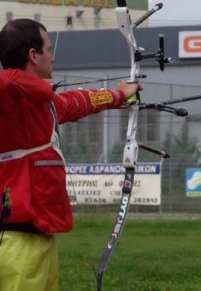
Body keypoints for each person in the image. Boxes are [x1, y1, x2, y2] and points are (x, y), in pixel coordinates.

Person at [0, 18, 140, 291]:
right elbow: (6, 81)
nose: (53, 57)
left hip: (42, 241)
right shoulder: (7, 101)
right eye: (49, 50)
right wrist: (41, 88)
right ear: (33, 55)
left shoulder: (46, 107)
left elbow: (81, 101)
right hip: (14, 243)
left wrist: (119, 95)